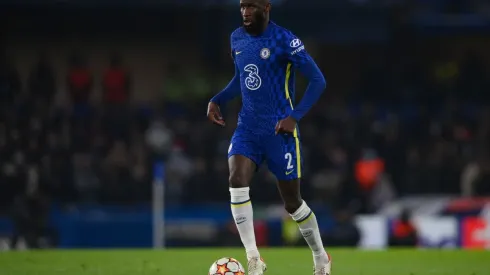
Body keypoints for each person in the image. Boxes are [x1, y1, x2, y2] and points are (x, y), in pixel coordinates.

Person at [206, 0, 330, 274]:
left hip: (279, 132)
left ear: (266, 7)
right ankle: (253, 258)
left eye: (251, 6)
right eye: (241, 6)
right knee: (236, 180)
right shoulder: (236, 37)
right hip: (247, 128)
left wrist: (294, 117)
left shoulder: (285, 40)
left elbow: (318, 80)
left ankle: (321, 257)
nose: (245, 11)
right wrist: (218, 99)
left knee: (292, 203)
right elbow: (242, 78)